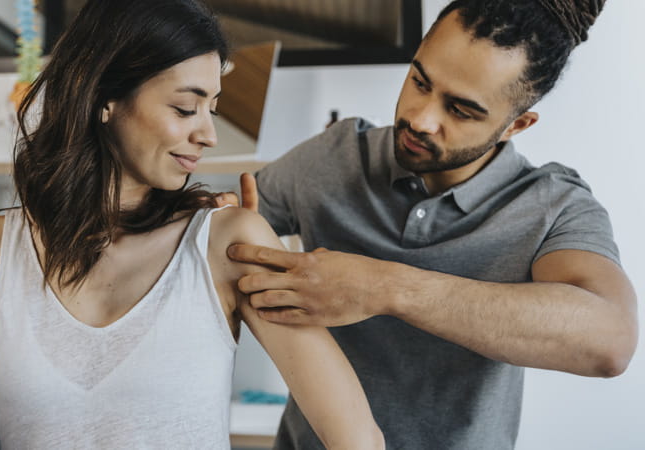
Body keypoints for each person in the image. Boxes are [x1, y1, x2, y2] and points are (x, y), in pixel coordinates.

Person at [0, 1, 384, 449]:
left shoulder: (227, 243)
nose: (208, 134)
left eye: (213, 108)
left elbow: (358, 440)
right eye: (186, 108)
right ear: (104, 97)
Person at [225, 1, 638, 449]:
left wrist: (385, 288)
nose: (421, 118)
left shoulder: (551, 206)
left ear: (515, 124)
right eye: (419, 81)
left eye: (460, 110)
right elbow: (220, 227)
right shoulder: (334, 158)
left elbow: (610, 340)